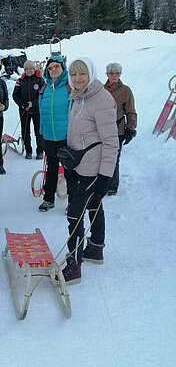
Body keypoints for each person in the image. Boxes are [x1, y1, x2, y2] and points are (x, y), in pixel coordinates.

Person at [62, 58, 118, 284]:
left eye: (82, 74)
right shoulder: (79, 97)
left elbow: (111, 141)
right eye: (73, 74)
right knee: (94, 204)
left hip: (95, 169)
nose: (77, 79)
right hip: (82, 165)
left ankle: (73, 265)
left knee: (74, 213)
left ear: (91, 74)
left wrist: (105, 175)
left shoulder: (101, 99)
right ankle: (95, 247)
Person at [38, 54, 75, 211]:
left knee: (69, 172)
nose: (53, 69)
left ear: (63, 68)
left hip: (65, 137)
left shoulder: (69, 87)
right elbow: (42, 112)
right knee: (51, 169)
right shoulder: (45, 88)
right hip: (49, 137)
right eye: (50, 67)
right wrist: (42, 132)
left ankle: (73, 201)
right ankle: (48, 199)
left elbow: (74, 112)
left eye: (57, 67)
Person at [104, 63, 137, 195]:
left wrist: (130, 128)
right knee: (101, 157)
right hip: (102, 129)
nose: (114, 76)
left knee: (114, 158)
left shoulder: (125, 90)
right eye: (111, 73)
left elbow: (130, 111)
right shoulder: (101, 89)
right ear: (107, 74)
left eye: (117, 73)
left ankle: (112, 185)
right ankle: (101, 182)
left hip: (118, 130)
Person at [12, 60, 44, 159]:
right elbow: (15, 95)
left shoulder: (40, 80)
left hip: (37, 110)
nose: (29, 71)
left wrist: (33, 103)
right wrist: (22, 104)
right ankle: (28, 151)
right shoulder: (20, 80)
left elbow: (42, 95)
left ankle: (40, 151)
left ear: (34, 69)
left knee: (38, 131)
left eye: (31, 68)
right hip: (24, 110)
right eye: (27, 69)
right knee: (25, 131)